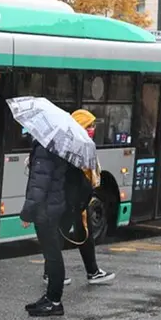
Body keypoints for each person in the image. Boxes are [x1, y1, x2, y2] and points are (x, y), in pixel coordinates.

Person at [45, 109, 114, 286]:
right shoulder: (75, 146)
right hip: (71, 200)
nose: (92, 129)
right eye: (89, 125)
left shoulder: (79, 144)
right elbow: (75, 177)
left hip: (77, 201)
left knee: (82, 233)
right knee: (63, 233)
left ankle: (92, 271)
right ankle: (53, 273)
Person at [21, 133, 69, 317]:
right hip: (53, 206)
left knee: (52, 255)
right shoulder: (55, 143)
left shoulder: (44, 147)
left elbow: (39, 185)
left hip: (46, 210)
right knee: (52, 254)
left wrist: (27, 213)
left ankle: (54, 302)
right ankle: (51, 298)